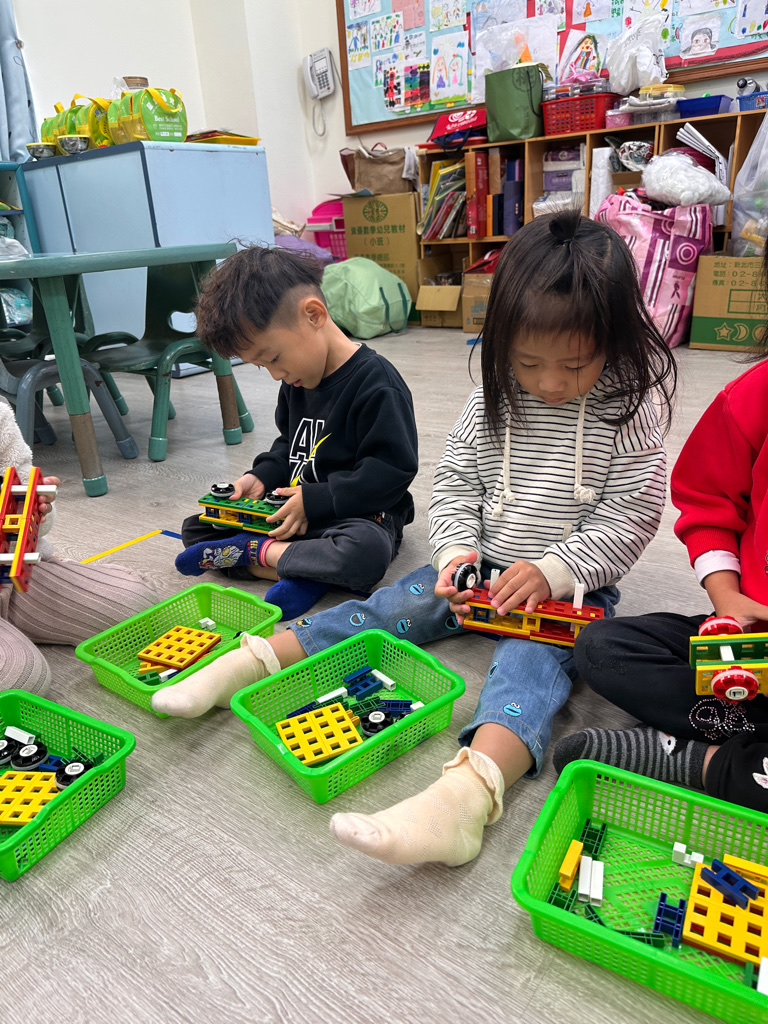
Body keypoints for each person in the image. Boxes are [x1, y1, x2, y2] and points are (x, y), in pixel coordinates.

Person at [154, 211, 677, 867]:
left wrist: (553, 570)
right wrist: (456, 554)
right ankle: (251, 662)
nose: (547, 383)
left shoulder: (631, 407)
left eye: (573, 365)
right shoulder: (493, 396)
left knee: (528, 671)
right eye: (528, 362)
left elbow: (631, 516)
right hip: (476, 566)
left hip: (565, 589)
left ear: (616, 339)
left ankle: (464, 801)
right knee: (386, 608)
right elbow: (455, 482)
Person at [554, 250, 768, 813]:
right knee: (602, 647)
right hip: (748, 635)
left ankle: (699, 760)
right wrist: (728, 597)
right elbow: (708, 501)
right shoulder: (755, 396)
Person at [174, 245, 418, 621]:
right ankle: (302, 570)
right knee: (197, 526)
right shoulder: (297, 379)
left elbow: (392, 471)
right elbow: (289, 445)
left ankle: (259, 556)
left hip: (358, 515)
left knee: (365, 552)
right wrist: (261, 477)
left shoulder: (377, 384)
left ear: (313, 315)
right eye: (262, 366)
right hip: (295, 513)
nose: (276, 374)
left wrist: (316, 501)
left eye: (273, 358)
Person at [0, 400, 157, 696]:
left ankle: (15, 620)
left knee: (137, 604)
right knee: (20, 679)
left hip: (13, 573)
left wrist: (38, 509)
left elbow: (32, 507)